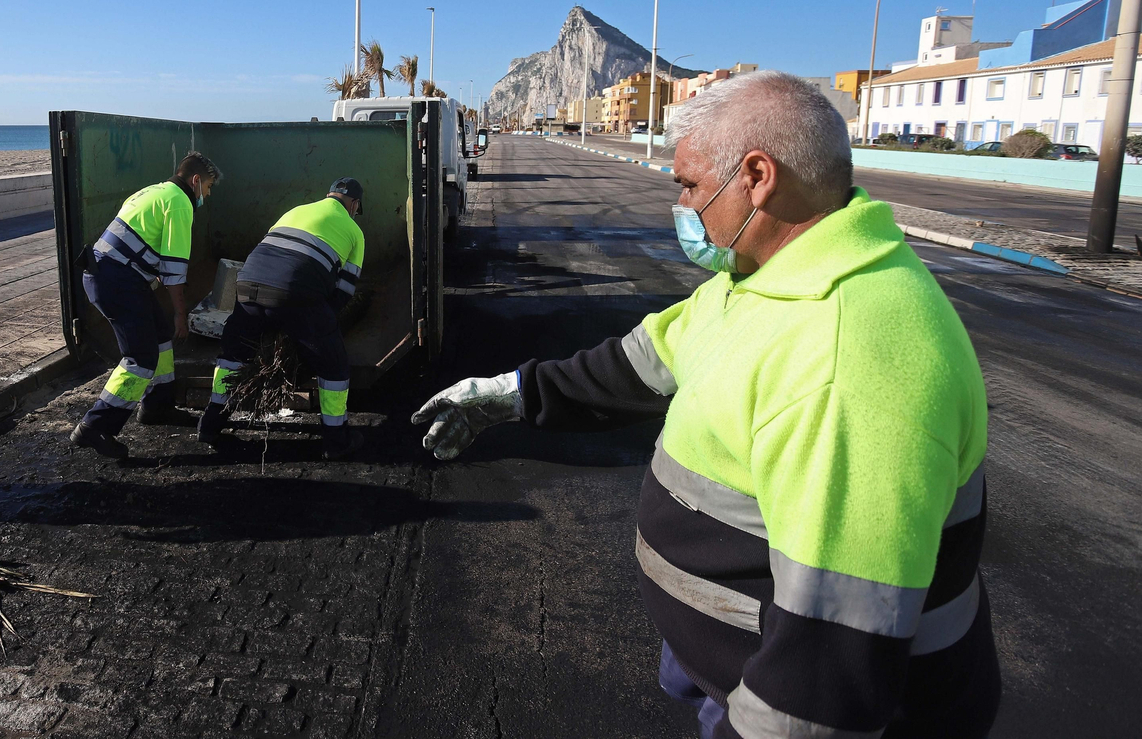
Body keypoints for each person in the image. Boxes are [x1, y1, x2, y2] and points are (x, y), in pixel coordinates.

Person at [413, 71, 999, 738]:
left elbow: (825, 677)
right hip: (727, 664)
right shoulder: (763, 280)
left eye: (690, 185)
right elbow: (644, 361)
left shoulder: (845, 363)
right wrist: (511, 394)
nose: (683, 207)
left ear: (757, 176)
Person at [198, 178, 367, 459]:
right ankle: (336, 441)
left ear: (328, 196)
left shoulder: (294, 211)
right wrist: (316, 330)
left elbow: (270, 258)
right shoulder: (354, 231)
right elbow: (344, 292)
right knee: (335, 367)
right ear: (354, 204)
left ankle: (209, 424)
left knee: (232, 355)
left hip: (248, 285)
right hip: (295, 295)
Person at [71, 152, 220, 458]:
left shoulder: (153, 191)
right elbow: (174, 273)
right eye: (207, 187)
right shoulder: (179, 203)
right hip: (117, 281)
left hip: (113, 276)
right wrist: (181, 314)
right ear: (195, 181)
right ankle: (95, 426)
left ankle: (157, 406)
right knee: (140, 359)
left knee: (160, 338)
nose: (207, 194)